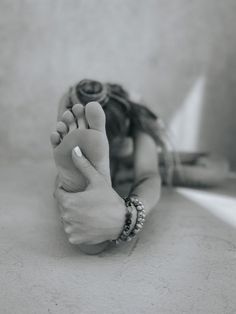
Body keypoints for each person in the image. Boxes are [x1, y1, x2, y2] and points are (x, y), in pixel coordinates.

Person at [50, 79, 166, 254]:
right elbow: (148, 175)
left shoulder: (138, 111)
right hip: (113, 154)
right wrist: (131, 214)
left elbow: (149, 172)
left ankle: (82, 182)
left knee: (77, 163)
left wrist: (125, 216)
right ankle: (85, 184)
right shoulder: (71, 101)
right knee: (76, 163)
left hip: (126, 155)